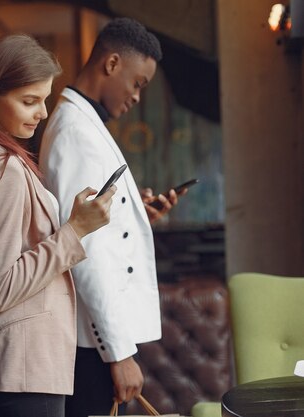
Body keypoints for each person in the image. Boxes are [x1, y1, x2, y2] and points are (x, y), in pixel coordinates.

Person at [0, 34, 116, 417]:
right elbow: (0, 286)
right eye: (30, 101)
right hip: (19, 372)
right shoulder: (5, 169)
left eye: (44, 99)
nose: (43, 112)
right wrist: (75, 229)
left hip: (8, 368)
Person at [39, 18, 183, 416]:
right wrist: (119, 354)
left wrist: (133, 214)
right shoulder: (75, 132)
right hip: (90, 345)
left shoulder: (84, 123)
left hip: (92, 341)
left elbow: (96, 227)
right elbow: (85, 249)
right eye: (138, 83)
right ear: (112, 63)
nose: (137, 96)